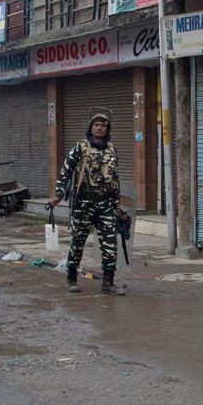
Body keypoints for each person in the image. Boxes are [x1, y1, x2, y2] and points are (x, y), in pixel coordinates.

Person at [48, 108, 128, 296]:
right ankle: (71, 278)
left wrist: (117, 205)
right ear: (91, 128)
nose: (100, 128)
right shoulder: (81, 147)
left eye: (103, 126)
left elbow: (115, 179)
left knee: (110, 244)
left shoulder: (112, 150)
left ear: (108, 130)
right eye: (96, 125)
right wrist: (59, 195)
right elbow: (65, 172)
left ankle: (108, 283)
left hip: (105, 205)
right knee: (78, 243)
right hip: (84, 204)